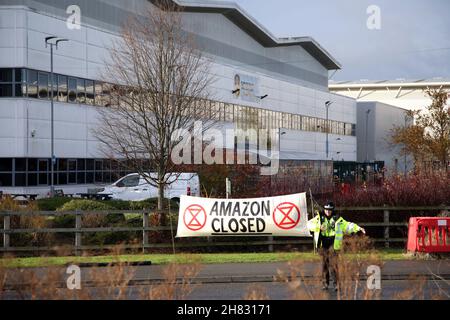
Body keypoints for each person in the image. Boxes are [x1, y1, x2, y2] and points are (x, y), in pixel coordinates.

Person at [307, 201, 366, 291]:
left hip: (333, 244)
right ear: (324, 210)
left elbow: (348, 226)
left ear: (332, 210)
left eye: (330, 210)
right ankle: (325, 284)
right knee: (324, 265)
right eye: (326, 210)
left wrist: (358, 228)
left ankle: (336, 285)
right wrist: (318, 227)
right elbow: (308, 225)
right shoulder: (318, 218)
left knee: (334, 265)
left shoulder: (338, 219)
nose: (328, 211)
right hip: (322, 243)